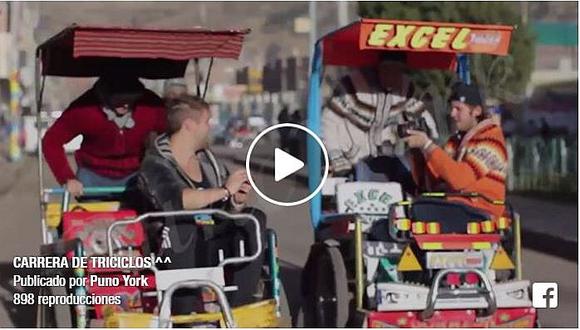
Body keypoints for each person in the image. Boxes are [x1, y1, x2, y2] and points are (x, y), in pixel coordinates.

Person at [137, 94, 265, 312]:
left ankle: (241, 307)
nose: (211, 128)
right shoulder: (155, 164)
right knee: (184, 225)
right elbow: (178, 200)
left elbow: (223, 207)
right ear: (188, 125)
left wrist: (235, 201)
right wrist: (224, 190)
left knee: (253, 219)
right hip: (172, 243)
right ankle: (184, 309)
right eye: (207, 122)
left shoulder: (208, 161)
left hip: (212, 235)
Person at [321, 52, 438, 193]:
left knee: (408, 185)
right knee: (364, 194)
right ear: (378, 69)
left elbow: (423, 118)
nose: (392, 76)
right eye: (387, 70)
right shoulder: (351, 86)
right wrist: (336, 156)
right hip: (353, 159)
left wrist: (431, 142)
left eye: (398, 71)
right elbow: (329, 122)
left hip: (386, 157)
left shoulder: (405, 87)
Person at [42, 75, 166, 197]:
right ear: (103, 94)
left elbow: (171, 135)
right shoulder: (84, 109)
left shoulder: (151, 106)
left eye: (131, 99)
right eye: (119, 100)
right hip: (93, 177)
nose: (126, 105)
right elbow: (51, 141)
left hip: (136, 175)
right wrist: (67, 178)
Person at [404, 82, 508, 218]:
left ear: (476, 111)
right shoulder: (456, 141)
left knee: (418, 213)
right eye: (452, 108)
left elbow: (459, 179)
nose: (452, 114)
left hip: (481, 209)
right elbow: (431, 184)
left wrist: (428, 145)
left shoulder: (490, 141)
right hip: (457, 205)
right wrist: (419, 151)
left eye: (458, 109)